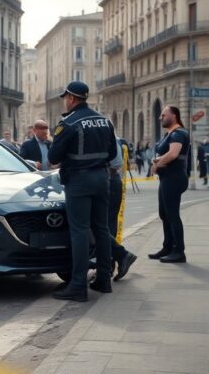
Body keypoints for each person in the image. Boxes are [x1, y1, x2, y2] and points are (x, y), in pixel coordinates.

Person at [48, 80, 116, 302]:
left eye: (65, 98)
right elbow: (112, 152)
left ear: (71, 98)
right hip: (101, 178)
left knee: (79, 232)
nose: (65, 102)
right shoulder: (104, 121)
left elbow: (53, 157)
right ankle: (104, 279)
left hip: (78, 181)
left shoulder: (68, 123)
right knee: (102, 229)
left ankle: (78, 285)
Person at [149, 106, 190, 263]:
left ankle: (179, 251)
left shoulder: (179, 133)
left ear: (174, 116)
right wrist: (158, 161)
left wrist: (157, 164)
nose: (160, 118)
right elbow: (166, 153)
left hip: (174, 178)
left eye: (163, 115)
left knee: (172, 215)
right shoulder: (170, 134)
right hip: (167, 178)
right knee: (164, 214)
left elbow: (173, 154)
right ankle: (167, 247)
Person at [107, 137, 137, 281]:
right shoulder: (112, 137)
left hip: (108, 181)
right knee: (108, 226)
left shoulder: (109, 137)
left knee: (100, 226)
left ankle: (119, 257)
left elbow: (116, 163)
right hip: (111, 181)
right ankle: (109, 265)